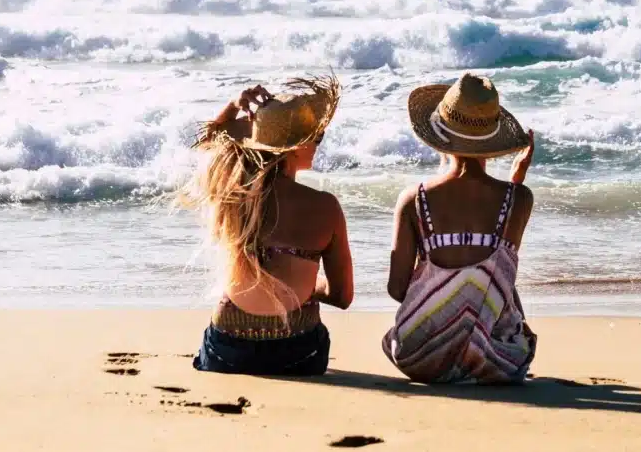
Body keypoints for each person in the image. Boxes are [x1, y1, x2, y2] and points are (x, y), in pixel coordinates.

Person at [177, 74, 354, 376]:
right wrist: (304, 283)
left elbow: (207, 148)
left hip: (228, 352)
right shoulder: (325, 207)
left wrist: (233, 106)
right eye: (316, 137)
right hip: (299, 354)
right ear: (295, 148)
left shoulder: (232, 196)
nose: (319, 143)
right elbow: (342, 296)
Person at [383, 71, 538, 384]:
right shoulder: (518, 199)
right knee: (521, 335)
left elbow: (396, 289)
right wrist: (516, 180)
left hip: (418, 355)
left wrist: (443, 301)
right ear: (494, 141)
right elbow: (499, 272)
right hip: (490, 361)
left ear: (439, 136)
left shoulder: (415, 199)